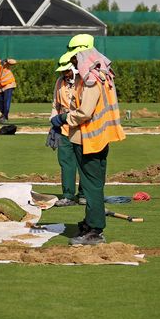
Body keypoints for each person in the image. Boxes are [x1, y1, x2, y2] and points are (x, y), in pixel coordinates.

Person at [51, 47, 125, 245]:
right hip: (99, 137)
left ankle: (94, 230)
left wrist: (63, 118)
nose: (74, 63)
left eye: (75, 58)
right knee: (95, 185)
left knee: (91, 186)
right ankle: (91, 223)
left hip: (89, 139)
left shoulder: (92, 80)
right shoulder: (104, 76)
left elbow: (84, 112)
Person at [50, 51, 85, 207]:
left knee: (84, 163)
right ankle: (68, 195)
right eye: (63, 71)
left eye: (67, 70)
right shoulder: (59, 82)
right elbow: (55, 105)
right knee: (66, 163)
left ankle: (84, 194)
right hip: (64, 129)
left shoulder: (84, 81)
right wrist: (53, 124)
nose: (65, 74)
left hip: (82, 128)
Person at [0, 58, 17, 123]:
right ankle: (4, 115)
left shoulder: (2, 63)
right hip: (0, 88)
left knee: (6, 101)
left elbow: (14, 61)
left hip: (9, 84)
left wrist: (7, 60)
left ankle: (5, 116)